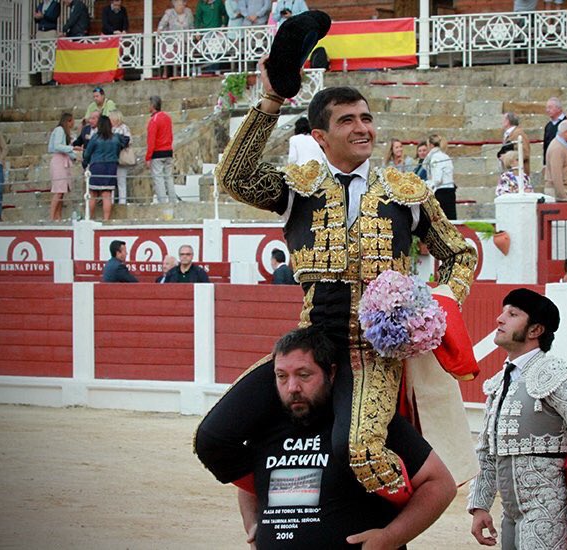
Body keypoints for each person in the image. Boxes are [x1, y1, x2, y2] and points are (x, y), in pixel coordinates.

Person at [196, 56, 476, 507]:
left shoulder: (407, 192)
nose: (362, 127)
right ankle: (280, 503)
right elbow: (235, 176)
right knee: (213, 437)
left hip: (374, 351)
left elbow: (458, 254)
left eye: (366, 117)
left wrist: (437, 302)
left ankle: (385, 531)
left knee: (363, 451)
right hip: (310, 346)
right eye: (348, 120)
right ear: (321, 137)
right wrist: (271, 100)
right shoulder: (297, 189)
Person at [237, 327, 456, 548]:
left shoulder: (368, 423)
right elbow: (251, 484)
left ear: (331, 373)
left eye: (304, 375)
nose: (292, 387)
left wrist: (390, 538)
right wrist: (253, 524)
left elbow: (440, 484)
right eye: (282, 377)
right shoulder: (266, 425)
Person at [468, 288, 567, 550]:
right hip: (510, 514)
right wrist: (480, 506)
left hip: (547, 511)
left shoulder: (555, 375)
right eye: (503, 312)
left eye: (512, 314)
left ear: (535, 330)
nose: (500, 319)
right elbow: (487, 452)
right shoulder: (500, 382)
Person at [82, 115, 129, 221]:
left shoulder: (95, 137)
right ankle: (106, 219)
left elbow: (87, 154)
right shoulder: (116, 137)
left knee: (93, 194)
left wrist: (85, 162)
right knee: (107, 194)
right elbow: (126, 140)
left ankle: (90, 218)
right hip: (111, 166)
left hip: (96, 166)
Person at [145, 95, 177, 204]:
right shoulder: (167, 117)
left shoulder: (154, 120)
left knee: (158, 179)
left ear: (153, 105)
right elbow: (171, 135)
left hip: (157, 153)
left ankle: (163, 204)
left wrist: (148, 157)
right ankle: (173, 202)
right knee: (169, 178)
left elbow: (151, 140)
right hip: (168, 151)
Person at [48, 112, 79, 221]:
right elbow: (57, 146)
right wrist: (72, 149)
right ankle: (52, 217)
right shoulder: (60, 130)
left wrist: (74, 156)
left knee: (62, 192)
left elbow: (65, 149)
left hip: (63, 160)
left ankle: (58, 217)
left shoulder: (64, 132)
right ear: (69, 121)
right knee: (59, 190)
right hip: (58, 161)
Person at [157, 0, 195, 78]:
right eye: (179, 5)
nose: (181, 7)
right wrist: (160, 29)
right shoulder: (169, 13)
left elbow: (191, 26)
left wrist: (194, 34)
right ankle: (170, 74)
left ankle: (186, 74)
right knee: (169, 51)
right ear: (174, 5)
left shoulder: (188, 12)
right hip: (172, 42)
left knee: (188, 54)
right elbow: (162, 24)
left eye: (182, 4)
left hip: (185, 42)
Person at [424, 133, 457, 219]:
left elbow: (437, 179)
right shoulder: (445, 156)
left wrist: (426, 184)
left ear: (431, 145)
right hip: (449, 191)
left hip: (442, 192)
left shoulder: (436, 158)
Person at [544, 120, 567, 199]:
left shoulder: (561, 145)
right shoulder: (557, 148)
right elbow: (556, 174)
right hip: (558, 191)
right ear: (566, 132)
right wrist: (563, 196)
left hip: (562, 189)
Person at [34, 0, 61, 84]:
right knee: (42, 56)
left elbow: (53, 17)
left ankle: (50, 79)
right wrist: (36, 17)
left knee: (50, 55)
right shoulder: (40, 5)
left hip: (50, 31)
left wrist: (43, 16)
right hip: (41, 31)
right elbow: (36, 20)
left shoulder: (56, 4)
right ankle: (44, 80)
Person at [108, 110, 132, 205]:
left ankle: (122, 202)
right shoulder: (110, 129)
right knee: (112, 182)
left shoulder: (124, 128)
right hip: (112, 158)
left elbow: (128, 141)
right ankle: (111, 201)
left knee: (121, 181)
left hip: (121, 157)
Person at [498, 112, 531, 177]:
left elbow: (525, 153)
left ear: (508, 121)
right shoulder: (509, 134)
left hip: (518, 174)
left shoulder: (518, 133)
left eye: (503, 119)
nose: (501, 122)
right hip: (510, 173)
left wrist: (507, 157)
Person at [542, 97, 565, 165]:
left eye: (550, 107)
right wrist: (545, 163)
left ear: (558, 108)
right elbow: (545, 146)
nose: (547, 110)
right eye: (547, 108)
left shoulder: (566, 122)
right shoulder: (548, 126)